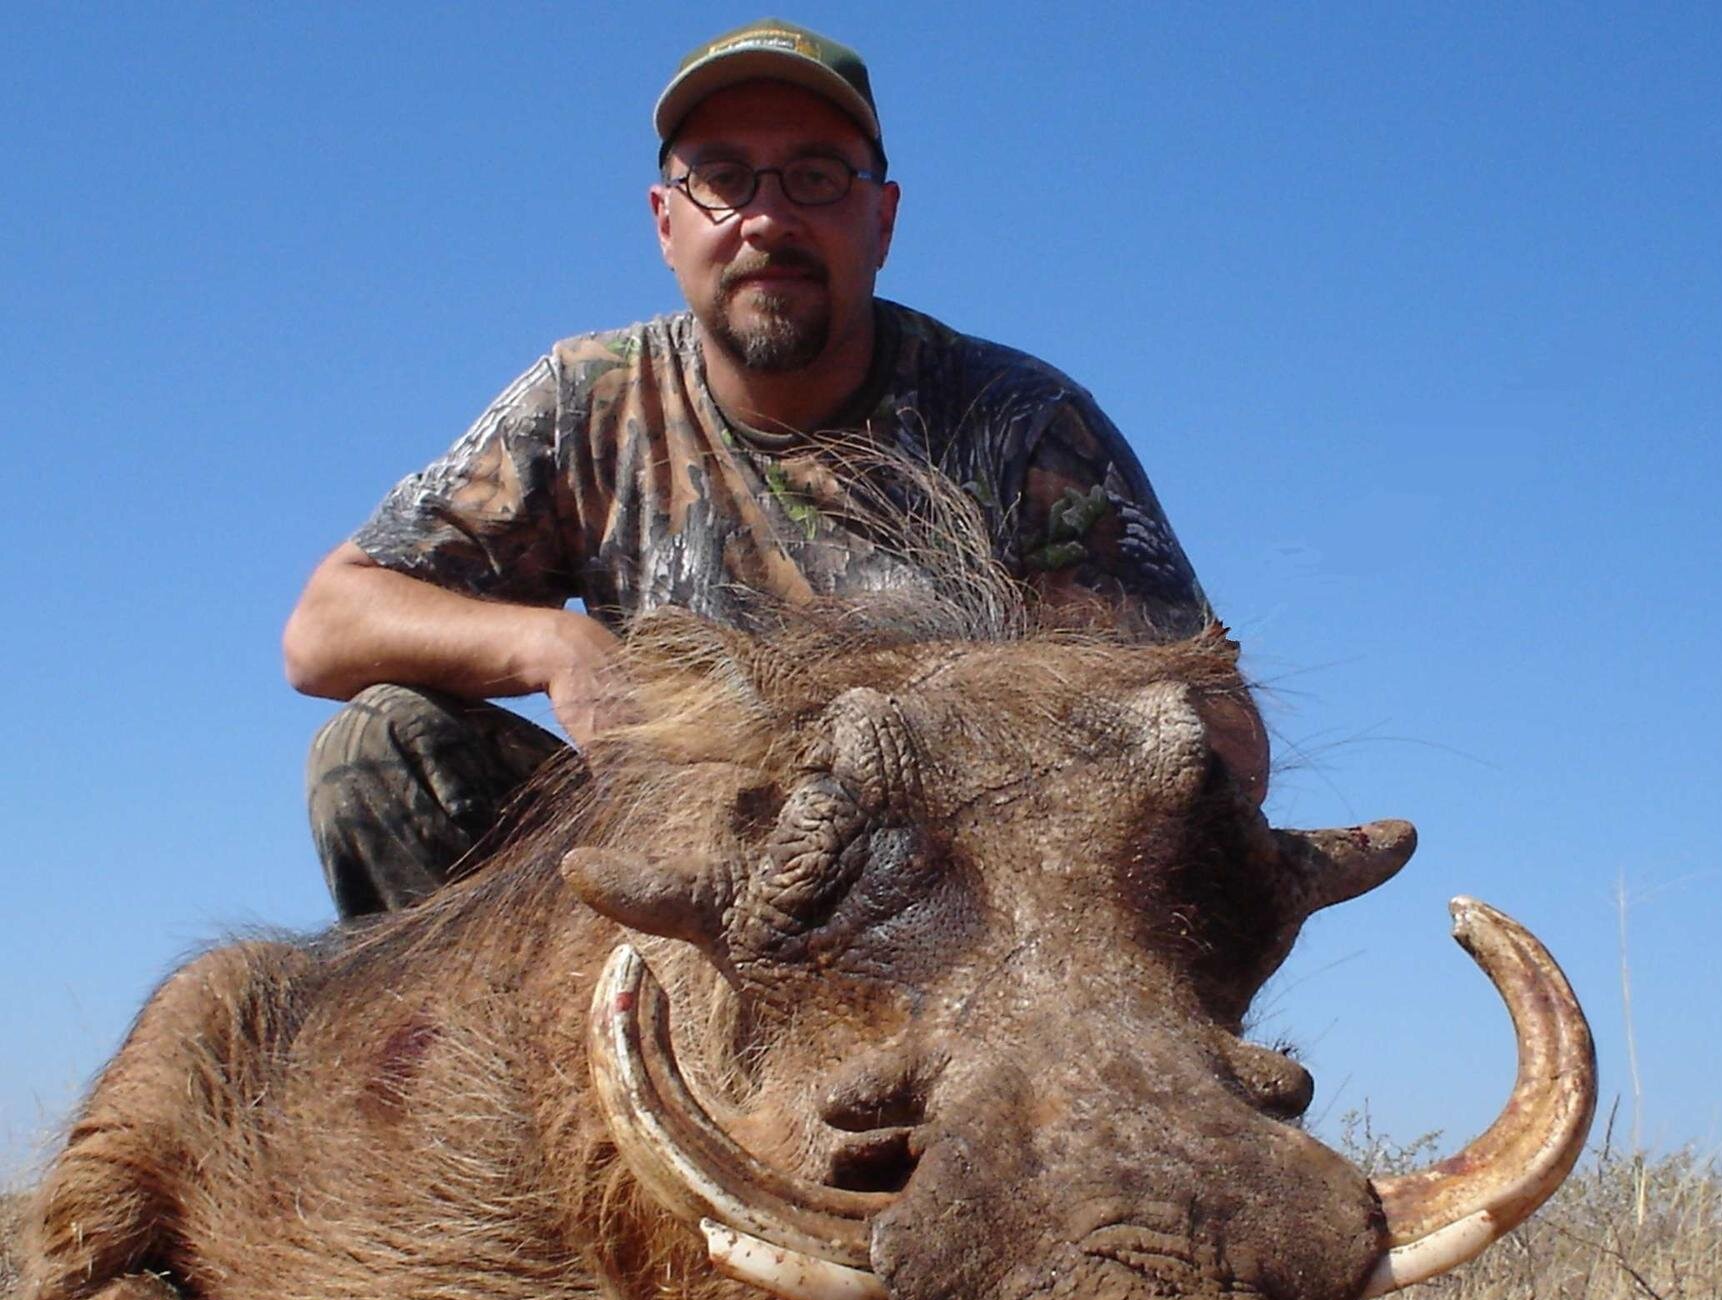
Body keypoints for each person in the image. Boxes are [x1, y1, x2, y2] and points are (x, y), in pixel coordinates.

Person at [284, 18, 1263, 920]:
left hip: (952, 891)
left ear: (881, 221)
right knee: (379, 749)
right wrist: (556, 648)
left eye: (815, 178)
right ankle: (520, 1105)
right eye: (723, 177)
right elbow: (324, 627)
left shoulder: (1020, 421)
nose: (765, 219)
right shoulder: (589, 398)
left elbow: (1216, 729)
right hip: (684, 866)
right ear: (667, 224)